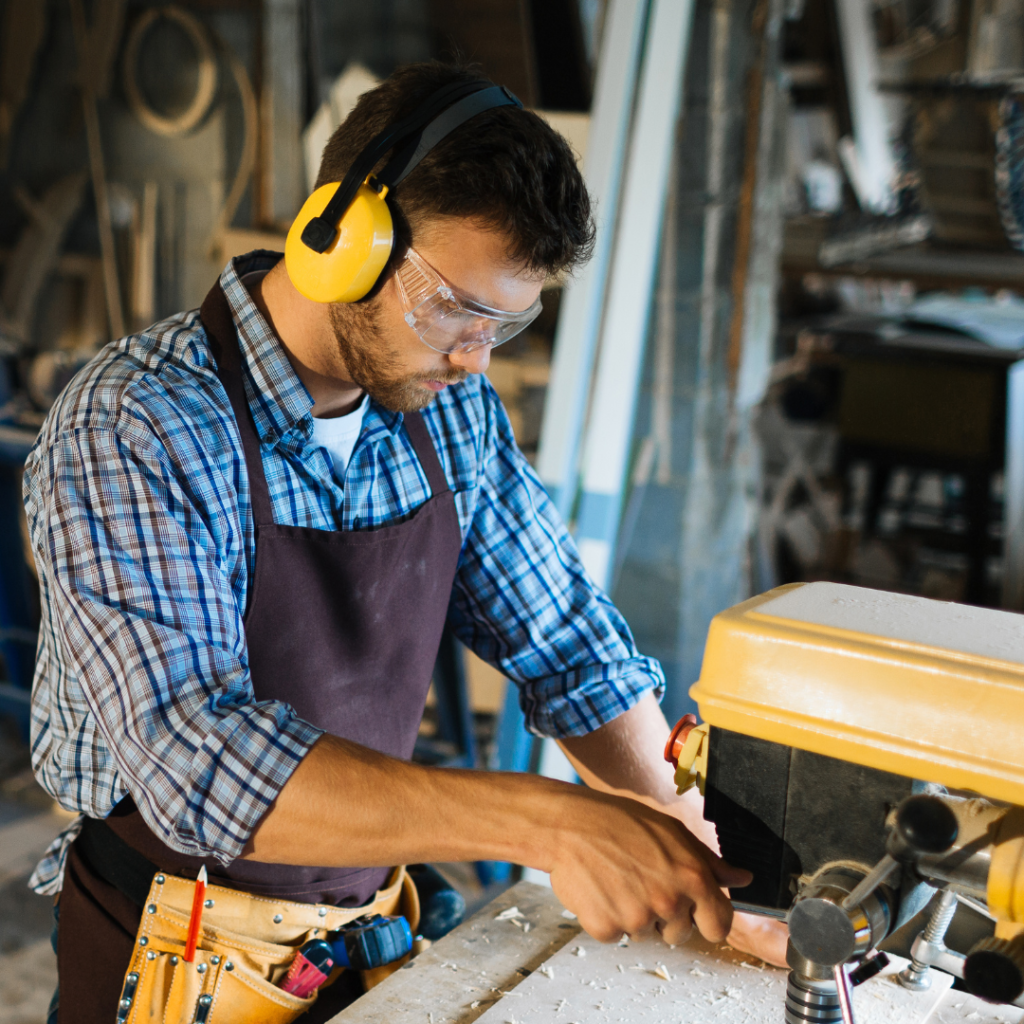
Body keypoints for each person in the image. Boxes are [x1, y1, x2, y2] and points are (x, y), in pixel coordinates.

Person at [24, 61, 786, 1024]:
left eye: (506, 322)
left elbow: (566, 644)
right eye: (455, 309)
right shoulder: (138, 424)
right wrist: (553, 822)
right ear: (341, 239)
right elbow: (201, 765)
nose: (475, 358)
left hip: (360, 927)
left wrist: (710, 875)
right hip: (175, 947)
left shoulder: (448, 413)